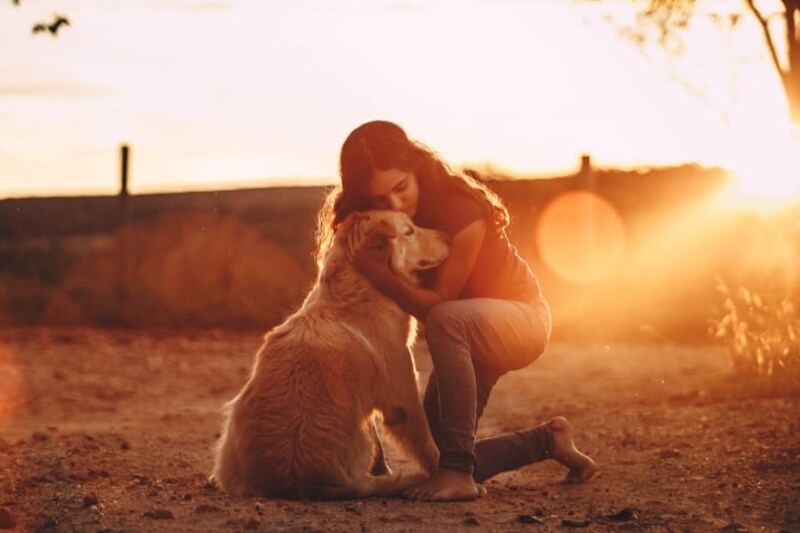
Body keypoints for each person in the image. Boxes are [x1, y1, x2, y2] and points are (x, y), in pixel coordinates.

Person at [316, 120, 598, 501]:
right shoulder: (381, 224)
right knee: (437, 454)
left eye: (401, 187)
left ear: (416, 165)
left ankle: (459, 477)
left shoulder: (461, 209)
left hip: (521, 319)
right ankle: (549, 441)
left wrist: (376, 272)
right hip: (467, 333)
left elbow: (439, 306)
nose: (395, 205)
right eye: (380, 199)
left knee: (447, 320)